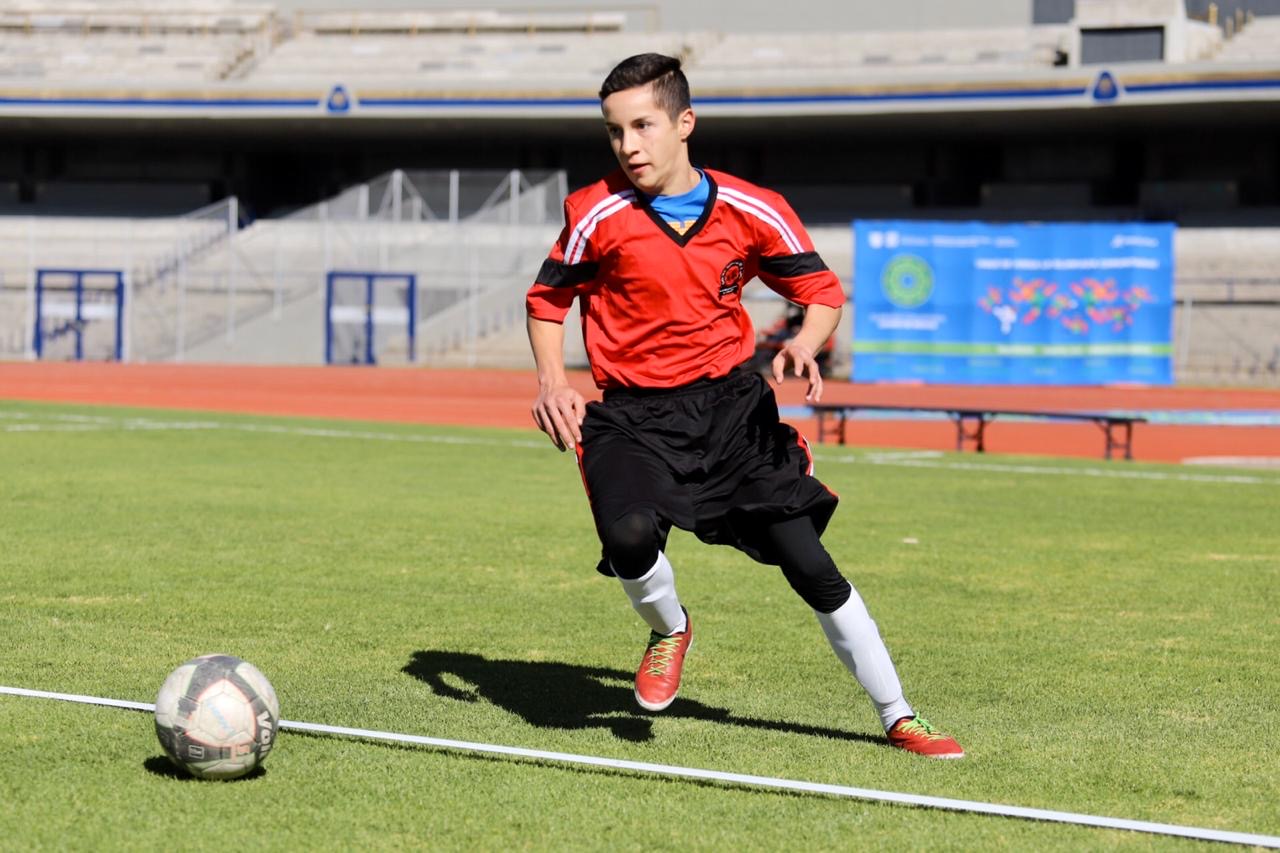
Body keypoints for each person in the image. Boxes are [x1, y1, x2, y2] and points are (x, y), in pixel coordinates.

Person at [525, 53, 963, 758]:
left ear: (684, 123)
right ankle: (670, 629)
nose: (629, 145)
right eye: (615, 131)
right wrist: (552, 380)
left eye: (643, 125)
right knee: (629, 537)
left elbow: (821, 293)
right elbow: (547, 301)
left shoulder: (751, 208)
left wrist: (807, 342)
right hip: (633, 416)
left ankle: (899, 714)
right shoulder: (595, 212)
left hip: (732, 416)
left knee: (809, 563)